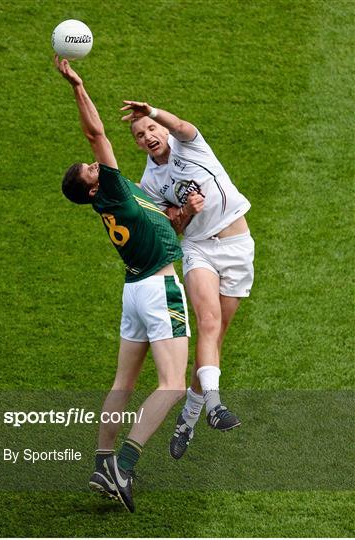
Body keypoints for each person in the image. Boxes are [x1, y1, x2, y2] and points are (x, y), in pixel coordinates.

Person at [55, 58, 190, 512]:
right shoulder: (111, 189)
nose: (95, 163)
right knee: (172, 385)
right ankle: (124, 467)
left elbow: (163, 218)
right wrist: (79, 86)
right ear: (93, 190)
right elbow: (97, 134)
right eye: (89, 170)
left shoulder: (117, 196)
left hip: (134, 290)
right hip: (158, 288)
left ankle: (101, 460)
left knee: (123, 383)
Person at [121, 101, 254, 459]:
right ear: (137, 144)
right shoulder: (149, 183)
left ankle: (187, 420)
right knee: (207, 323)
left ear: (161, 129)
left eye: (151, 128)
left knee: (216, 337)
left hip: (238, 246)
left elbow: (181, 123)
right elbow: (169, 228)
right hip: (199, 249)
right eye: (140, 135)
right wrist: (184, 213)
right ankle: (214, 406)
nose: (148, 136)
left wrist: (152, 110)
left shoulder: (191, 145)